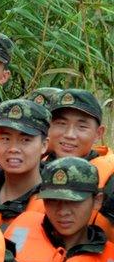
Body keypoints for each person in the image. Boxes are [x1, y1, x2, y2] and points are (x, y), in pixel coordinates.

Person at [46, 89, 114, 239]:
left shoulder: (110, 180)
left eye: (82, 127)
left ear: (99, 134)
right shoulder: (31, 167)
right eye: (61, 123)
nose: (69, 134)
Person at [0, 99, 51, 228]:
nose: (13, 148)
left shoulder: (54, 202)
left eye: (25, 140)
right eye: (5, 138)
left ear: (44, 145)